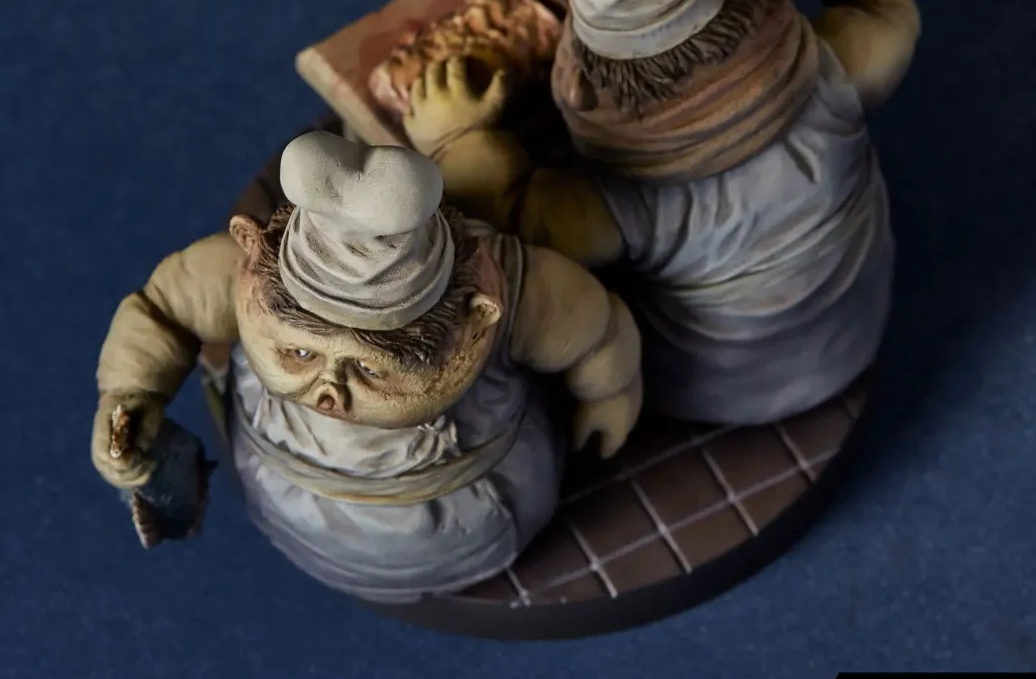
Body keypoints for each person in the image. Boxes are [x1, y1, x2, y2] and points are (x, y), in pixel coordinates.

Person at [402, 0, 921, 425]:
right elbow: (889, 13)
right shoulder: (838, 71)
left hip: (714, 385)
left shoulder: (619, 203)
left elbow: (505, 214)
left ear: (587, 88)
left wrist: (455, 140)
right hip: (854, 327)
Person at [90, 131, 642, 602]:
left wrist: (611, 391)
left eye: (373, 371)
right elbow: (162, 308)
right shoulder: (244, 278)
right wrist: (131, 390)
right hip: (284, 498)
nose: (330, 391)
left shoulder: (512, 291)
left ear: (476, 320)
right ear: (251, 262)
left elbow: (598, 332)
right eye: (299, 353)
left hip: (466, 518)